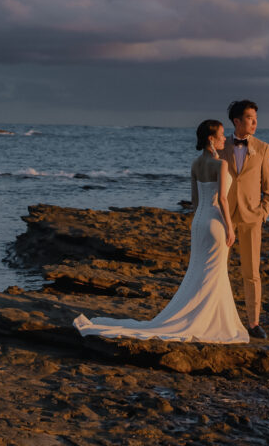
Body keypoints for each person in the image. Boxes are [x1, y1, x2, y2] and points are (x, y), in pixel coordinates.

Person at [73, 119, 249, 344]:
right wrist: (230, 228)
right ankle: (209, 320)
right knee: (213, 273)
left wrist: (199, 222)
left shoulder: (195, 164)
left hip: (199, 222)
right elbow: (223, 198)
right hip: (215, 222)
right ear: (211, 139)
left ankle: (199, 315)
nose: (225, 138)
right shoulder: (221, 165)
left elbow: (195, 201)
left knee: (198, 271)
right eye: (222, 135)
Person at [222, 99, 269, 339]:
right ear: (237, 121)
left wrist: (263, 213)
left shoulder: (263, 148)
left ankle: (253, 323)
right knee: (218, 268)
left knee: (251, 273)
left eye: (255, 118)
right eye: (249, 118)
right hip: (224, 218)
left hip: (252, 219)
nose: (254, 122)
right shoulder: (222, 146)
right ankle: (221, 316)